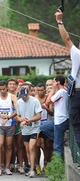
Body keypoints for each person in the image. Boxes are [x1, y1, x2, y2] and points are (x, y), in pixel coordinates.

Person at [55, 9, 80, 158]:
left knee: (76, 126)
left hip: (77, 95)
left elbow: (66, 38)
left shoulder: (77, 54)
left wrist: (59, 21)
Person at [0, 83, 18, 176]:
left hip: (10, 124)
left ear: (7, 88)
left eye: (3, 89)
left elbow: (17, 110)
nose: (2, 91)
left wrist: (8, 117)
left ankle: (7, 167)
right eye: (0, 89)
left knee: (9, 146)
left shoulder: (12, 97)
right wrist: (0, 115)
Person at [16, 87, 42, 178]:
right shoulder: (19, 102)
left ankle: (32, 170)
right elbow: (18, 116)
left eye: (25, 96)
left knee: (32, 148)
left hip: (35, 128)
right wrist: (20, 119)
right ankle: (32, 167)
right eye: (22, 96)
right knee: (27, 149)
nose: (23, 98)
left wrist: (27, 121)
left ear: (28, 94)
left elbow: (39, 116)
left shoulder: (35, 101)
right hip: (25, 129)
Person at [42, 75, 69, 160]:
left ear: (57, 82)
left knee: (57, 147)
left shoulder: (61, 92)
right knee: (43, 128)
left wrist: (53, 90)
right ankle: (60, 139)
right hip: (58, 120)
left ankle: (58, 167)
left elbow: (48, 102)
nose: (52, 83)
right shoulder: (62, 91)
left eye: (54, 81)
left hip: (61, 120)